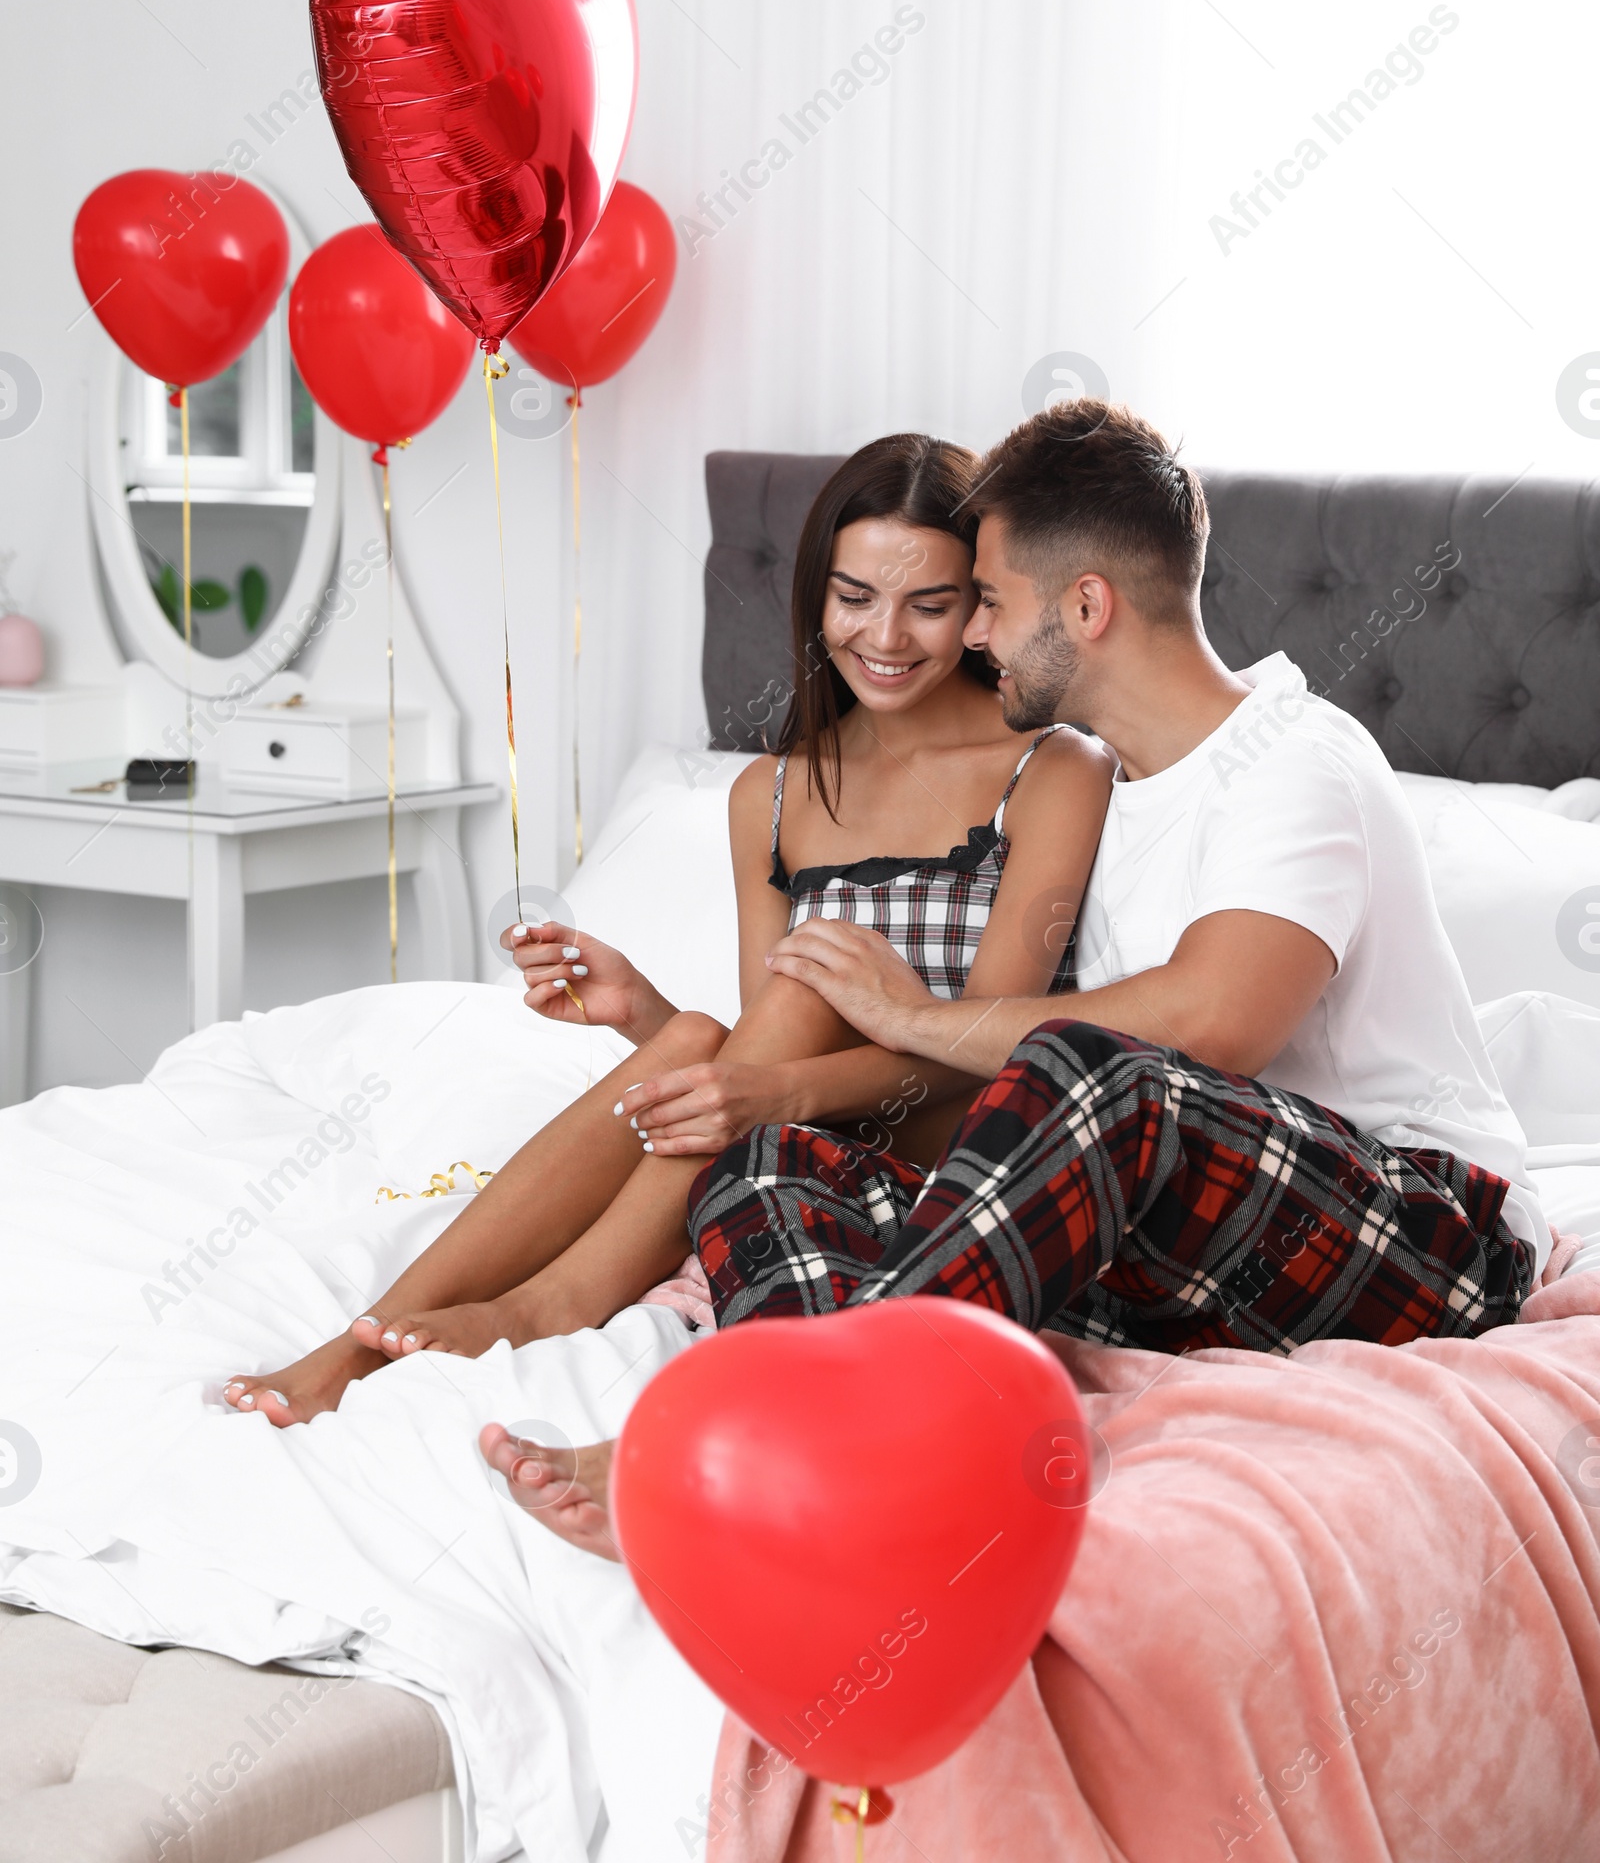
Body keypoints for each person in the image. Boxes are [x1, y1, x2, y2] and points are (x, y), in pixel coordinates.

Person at [486, 397, 1546, 1550]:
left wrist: (911, 1012)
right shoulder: (1104, 794)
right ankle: (844, 1454)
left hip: (1423, 1238)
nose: (970, 637)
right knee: (779, 1165)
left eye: (984, 601)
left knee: (1098, 1069)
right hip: (1195, 1251)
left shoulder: (1290, 762)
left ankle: (756, 1441)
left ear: (1084, 608)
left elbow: (1209, 1026)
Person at [223, 433, 1113, 1423]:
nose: (886, 637)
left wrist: (777, 1084)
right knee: (695, 1035)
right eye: (854, 597)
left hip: (949, 1145)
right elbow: (752, 1051)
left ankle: (556, 1301)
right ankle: (365, 1335)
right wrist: (642, 1013)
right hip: (793, 1132)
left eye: (930, 605)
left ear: (979, 608)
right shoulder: (769, 794)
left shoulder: (1053, 768)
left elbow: (995, 1048)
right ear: (816, 594)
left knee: (799, 988)